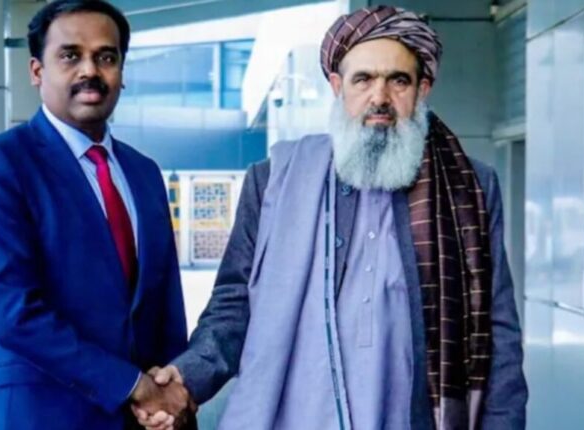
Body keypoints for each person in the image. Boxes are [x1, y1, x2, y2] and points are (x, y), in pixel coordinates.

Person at [137, 5, 527, 430]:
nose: (380, 97)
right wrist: (187, 378)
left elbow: (497, 331)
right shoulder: (273, 181)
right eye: (363, 79)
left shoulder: (469, 188)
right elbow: (234, 305)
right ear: (338, 86)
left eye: (398, 80)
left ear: (423, 89)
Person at [0, 1, 194, 428]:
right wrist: (133, 385)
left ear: (121, 71)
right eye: (70, 56)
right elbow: (13, 312)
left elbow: (165, 309)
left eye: (106, 57)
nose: (90, 70)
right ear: (36, 71)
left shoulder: (144, 173)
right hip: (36, 417)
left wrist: (172, 400)